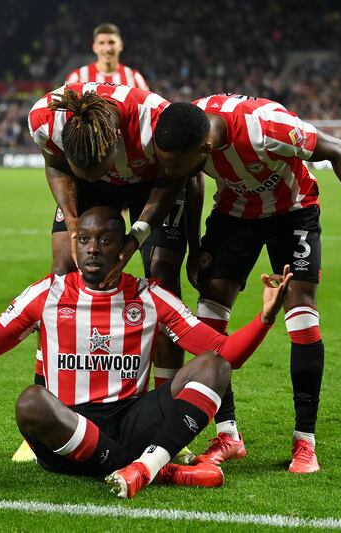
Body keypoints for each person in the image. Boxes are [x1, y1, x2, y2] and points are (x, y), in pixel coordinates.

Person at [0, 206, 292, 499]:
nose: (93, 248)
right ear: (74, 245)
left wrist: (266, 317)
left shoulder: (149, 296)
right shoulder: (47, 294)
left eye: (105, 240)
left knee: (213, 368)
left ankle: (143, 469)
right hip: (69, 431)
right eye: (85, 239)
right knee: (31, 403)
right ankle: (157, 467)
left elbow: (225, 353)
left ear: (123, 248)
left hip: (131, 419)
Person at [152, 95, 341, 473]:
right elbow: (189, 184)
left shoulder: (265, 127)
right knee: (207, 317)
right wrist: (194, 248)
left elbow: (337, 150)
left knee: (302, 316)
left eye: (179, 165)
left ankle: (304, 443)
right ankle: (227, 436)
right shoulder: (185, 124)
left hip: (292, 212)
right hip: (233, 214)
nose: (172, 171)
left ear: (205, 148)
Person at [18, 83, 204, 463]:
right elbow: (55, 165)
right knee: (61, 273)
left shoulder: (154, 120)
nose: (102, 176)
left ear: (115, 143)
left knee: (163, 273)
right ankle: (52, 409)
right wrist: (72, 223)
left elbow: (175, 178)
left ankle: (167, 418)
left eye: (102, 168)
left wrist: (136, 238)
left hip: (152, 182)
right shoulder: (44, 119)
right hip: (86, 187)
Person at [64, 23, 149, 90]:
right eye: (101, 43)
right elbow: (63, 110)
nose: (107, 48)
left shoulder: (134, 78)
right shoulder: (77, 78)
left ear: (121, 45)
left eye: (111, 42)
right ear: (94, 47)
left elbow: (150, 109)